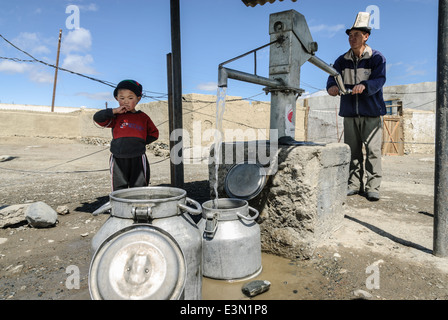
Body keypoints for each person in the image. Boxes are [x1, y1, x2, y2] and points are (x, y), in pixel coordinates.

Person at [326, 12, 386, 201]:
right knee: (352, 151)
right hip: (350, 112)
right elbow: (331, 77)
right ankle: (353, 184)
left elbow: (380, 80)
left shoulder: (376, 58)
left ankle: (373, 187)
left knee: (373, 152)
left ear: (366, 36)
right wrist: (332, 87)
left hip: (372, 112)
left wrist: (365, 86)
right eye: (350, 35)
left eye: (356, 35)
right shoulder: (341, 61)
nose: (352, 39)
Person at [93, 79, 159, 191]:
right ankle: (121, 208)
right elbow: (97, 118)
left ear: (138, 99)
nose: (126, 101)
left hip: (138, 157)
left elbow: (154, 134)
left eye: (130, 98)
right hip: (118, 157)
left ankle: (138, 207)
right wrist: (113, 111)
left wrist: (139, 141)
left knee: (139, 187)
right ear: (116, 99)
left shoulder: (143, 117)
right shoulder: (116, 117)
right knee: (119, 188)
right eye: (122, 98)